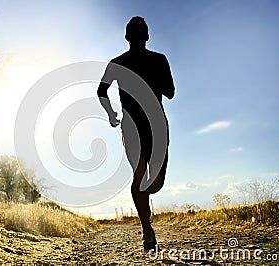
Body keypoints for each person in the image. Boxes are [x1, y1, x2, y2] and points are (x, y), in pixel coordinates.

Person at [97, 16, 175, 252]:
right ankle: (147, 229)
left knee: (155, 181)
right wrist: (112, 114)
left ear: (127, 37)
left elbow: (101, 92)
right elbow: (170, 93)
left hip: (152, 127)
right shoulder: (120, 63)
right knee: (141, 177)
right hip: (135, 128)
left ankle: (142, 205)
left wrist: (112, 113)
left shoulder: (156, 60)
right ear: (146, 36)